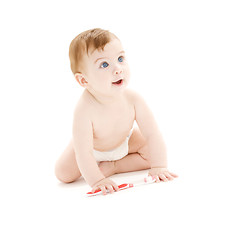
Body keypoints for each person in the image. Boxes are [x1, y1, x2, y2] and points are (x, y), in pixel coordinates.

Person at [55, 28, 178, 195]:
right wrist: (97, 180)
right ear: (83, 80)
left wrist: (159, 166)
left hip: (123, 140)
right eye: (104, 64)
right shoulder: (84, 110)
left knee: (153, 154)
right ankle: (96, 165)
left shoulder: (133, 99)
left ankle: (115, 166)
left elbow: (152, 134)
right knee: (64, 174)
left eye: (120, 59)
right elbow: (84, 152)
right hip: (93, 147)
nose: (118, 68)